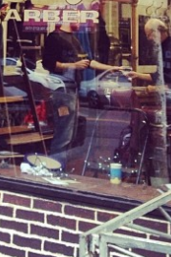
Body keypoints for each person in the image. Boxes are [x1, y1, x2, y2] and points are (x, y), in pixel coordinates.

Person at [42, 20, 118, 165]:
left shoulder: (75, 39)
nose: (81, 21)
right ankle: (54, 168)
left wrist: (110, 68)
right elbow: (48, 63)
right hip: (61, 90)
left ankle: (58, 167)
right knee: (64, 133)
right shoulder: (54, 37)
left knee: (69, 133)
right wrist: (73, 65)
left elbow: (88, 62)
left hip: (71, 90)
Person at [127, 18, 171, 87]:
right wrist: (137, 75)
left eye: (149, 35)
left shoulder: (170, 50)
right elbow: (161, 75)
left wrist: (154, 88)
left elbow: (168, 79)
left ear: (157, 31)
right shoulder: (165, 47)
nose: (148, 38)